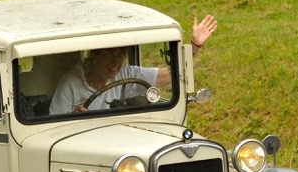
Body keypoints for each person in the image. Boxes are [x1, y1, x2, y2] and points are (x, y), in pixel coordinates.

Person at [48, 14, 218, 115]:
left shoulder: (125, 73)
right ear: (95, 56)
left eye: (121, 56)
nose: (116, 62)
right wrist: (76, 118)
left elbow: (170, 75)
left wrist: (194, 46)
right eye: (110, 56)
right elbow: (55, 127)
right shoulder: (71, 83)